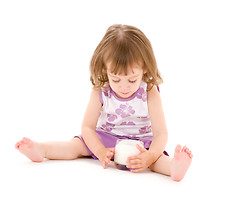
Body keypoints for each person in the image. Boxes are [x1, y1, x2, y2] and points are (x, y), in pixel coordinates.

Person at [15, 24, 193, 181]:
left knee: (155, 161)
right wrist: (99, 150)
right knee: (76, 146)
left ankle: (174, 168)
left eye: (132, 80)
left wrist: (151, 154)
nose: (124, 87)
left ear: (145, 68)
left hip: (141, 142)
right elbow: (87, 127)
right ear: (104, 69)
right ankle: (42, 149)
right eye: (116, 79)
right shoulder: (101, 90)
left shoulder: (149, 91)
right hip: (106, 138)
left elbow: (161, 133)